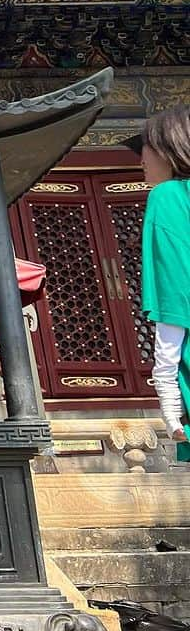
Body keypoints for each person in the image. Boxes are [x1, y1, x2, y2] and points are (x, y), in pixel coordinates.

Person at [136, 105, 190, 455]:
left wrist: (167, 393)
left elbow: (175, 288)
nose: (141, 158)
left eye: (146, 147)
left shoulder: (167, 196)